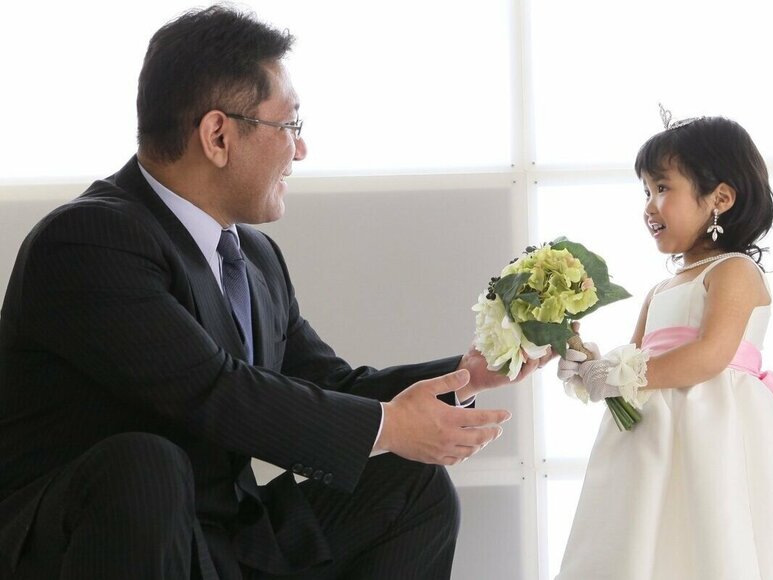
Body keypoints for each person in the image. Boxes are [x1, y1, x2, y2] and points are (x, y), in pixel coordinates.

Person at [0, 6, 550, 579]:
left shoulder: (254, 256)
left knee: (410, 486)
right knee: (145, 465)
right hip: (97, 540)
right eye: (290, 126)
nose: (301, 149)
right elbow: (213, 390)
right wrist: (391, 426)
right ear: (218, 135)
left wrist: (466, 374)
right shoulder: (88, 240)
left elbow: (327, 385)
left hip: (217, 541)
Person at [554, 112, 773, 579]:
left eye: (662, 187)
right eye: (645, 191)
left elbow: (711, 355)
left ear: (720, 198)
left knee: (709, 528)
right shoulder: (661, 289)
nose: (649, 206)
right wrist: (590, 365)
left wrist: (620, 376)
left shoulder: (734, 271)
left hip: (711, 427)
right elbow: (635, 356)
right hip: (651, 435)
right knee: (642, 536)